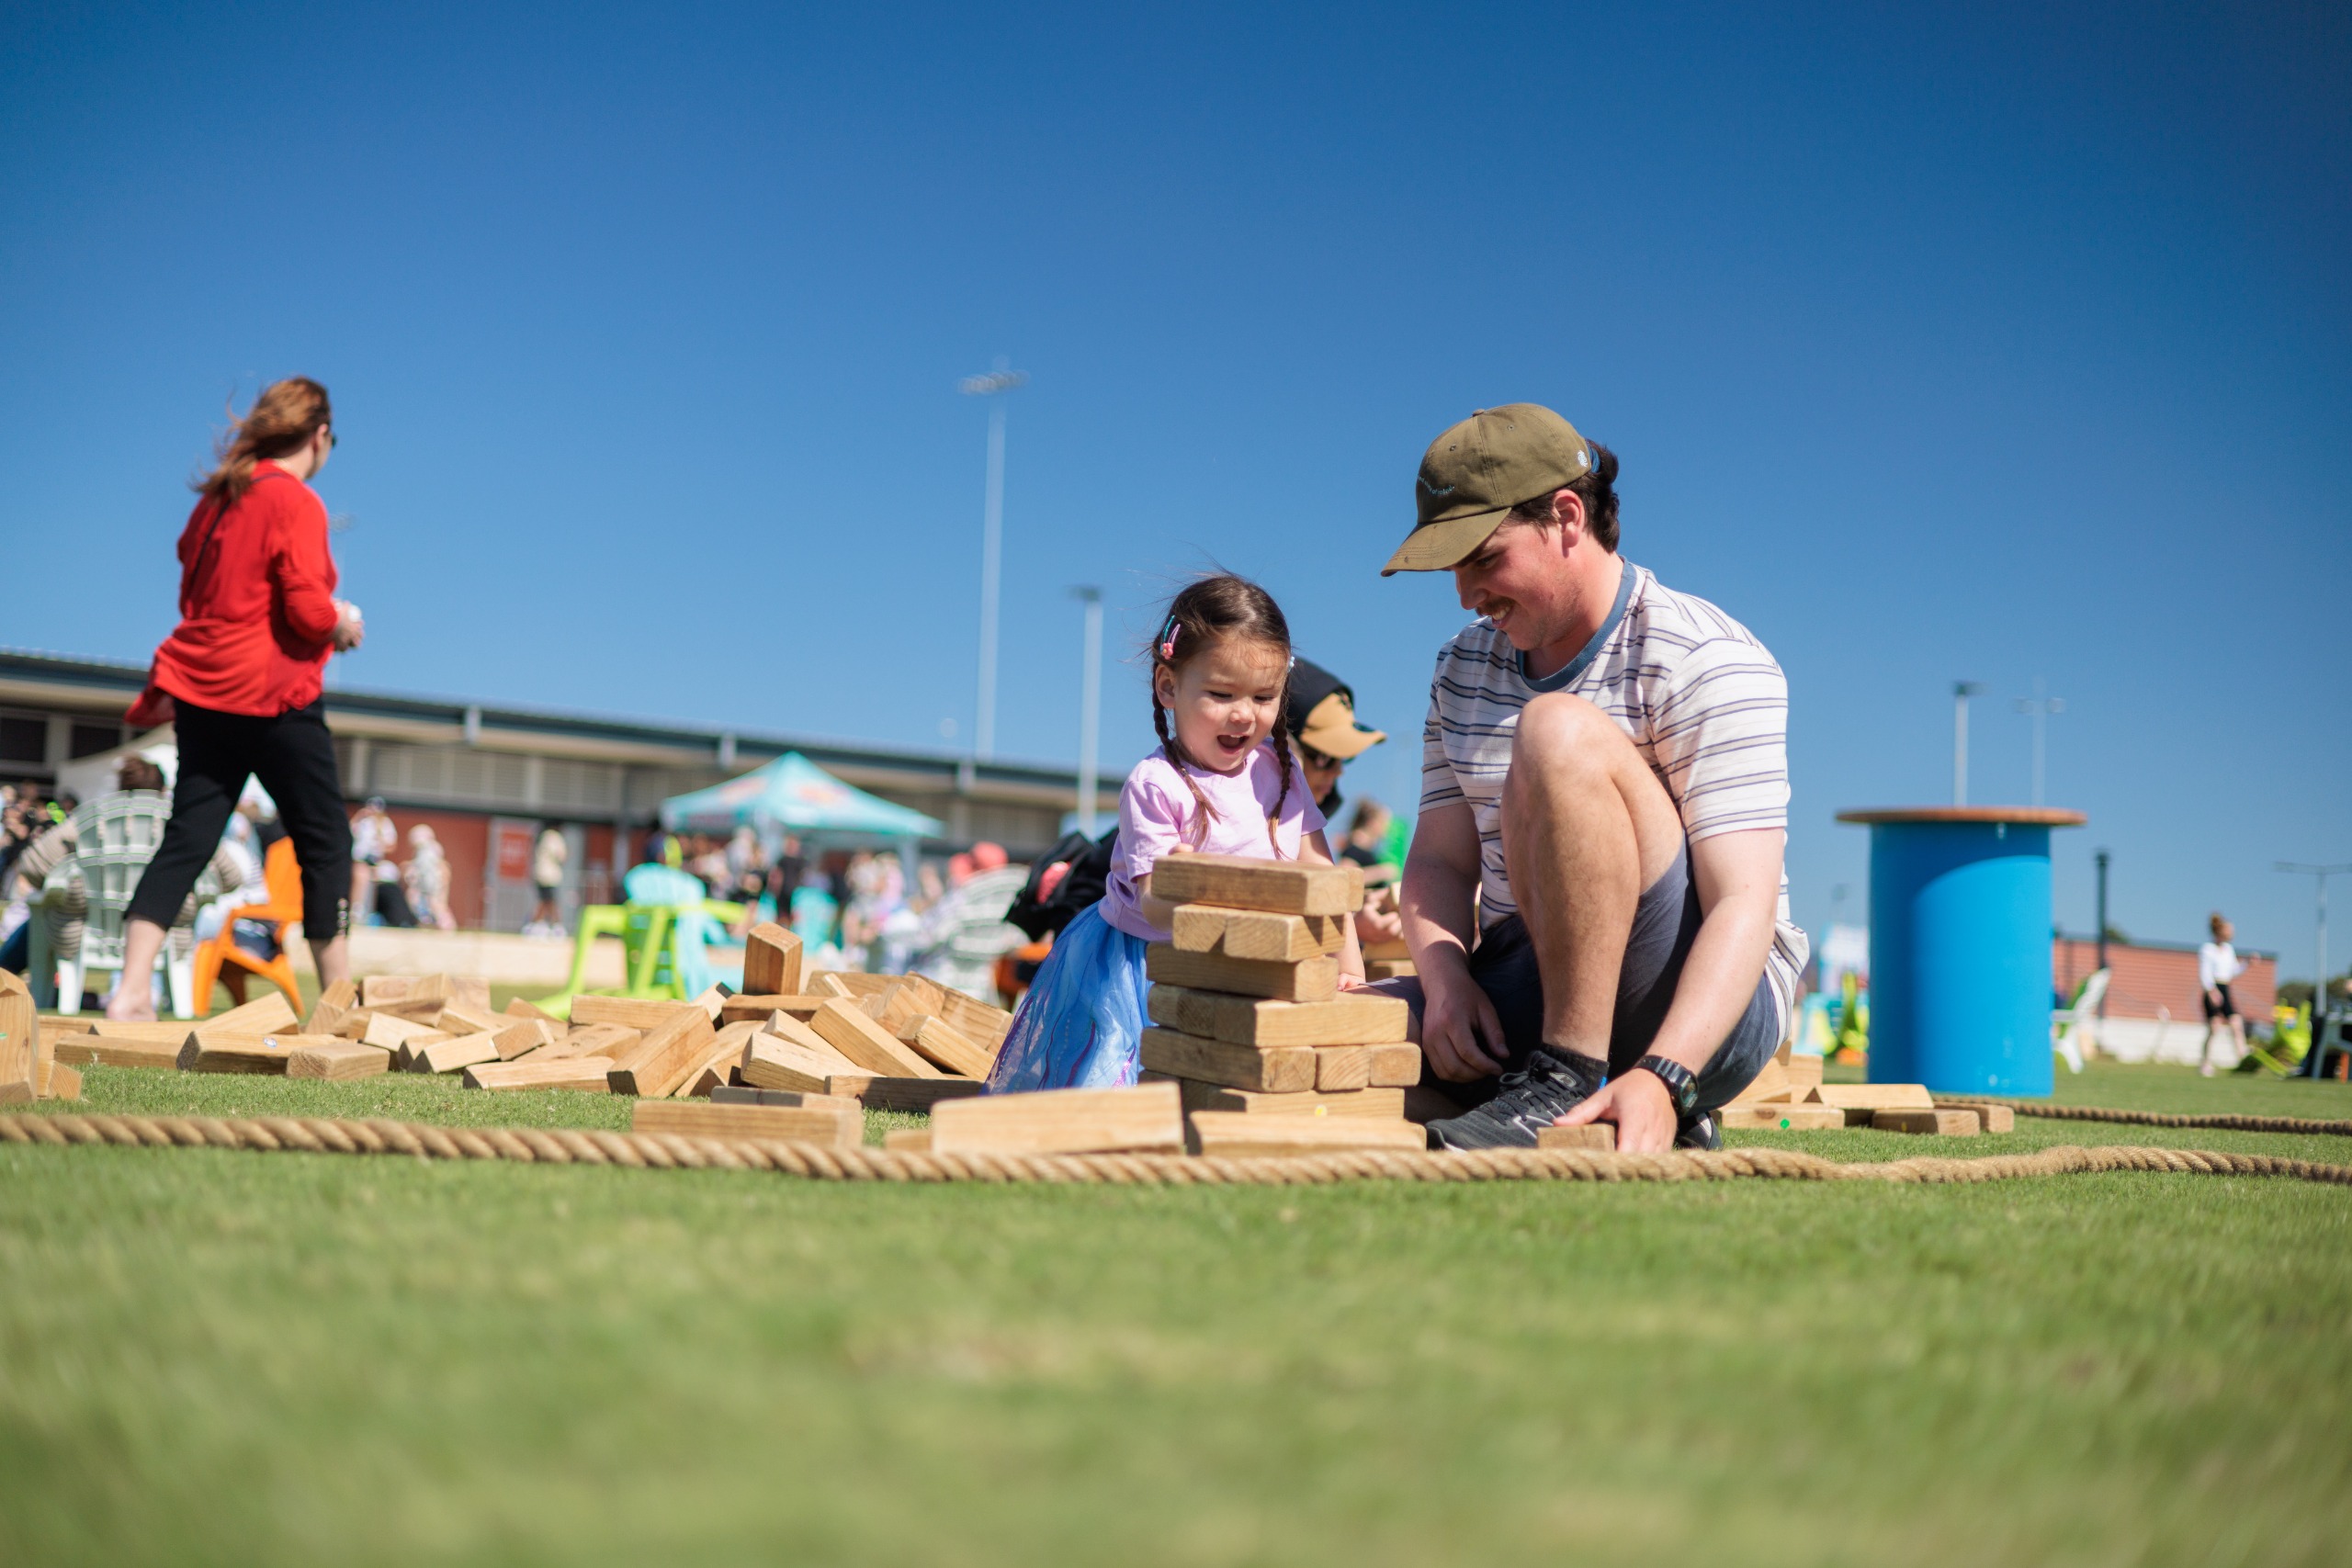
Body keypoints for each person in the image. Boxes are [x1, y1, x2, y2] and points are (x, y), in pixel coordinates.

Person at [1378, 404, 1806, 1152]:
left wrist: (1667, 1074)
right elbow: (1440, 860)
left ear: (1567, 518)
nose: (1464, 592)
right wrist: (1445, 981)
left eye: (1482, 556)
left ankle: (1574, 1081)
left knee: (1555, 728)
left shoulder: (1705, 656)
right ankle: (1551, 1083)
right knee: (1307, 1038)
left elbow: (1745, 901)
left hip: (1695, 1002)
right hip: (1527, 981)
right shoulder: (1460, 667)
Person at [987, 574, 1364, 1091]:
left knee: (1246, 1083)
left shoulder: (1282, 772)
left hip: (1254, 960)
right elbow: (1156, 904)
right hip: (1153, 965)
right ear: (1169, 686)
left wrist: (1351, 972)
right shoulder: (1155, 784)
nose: (1243, 714)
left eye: (1263, 696)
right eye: (1220, 693)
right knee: (1141, 1091)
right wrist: (1192, 882)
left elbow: (1324, 878)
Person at [104, 378, 363, 1021]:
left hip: (203, 687)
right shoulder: (296, 500)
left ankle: (132, 987)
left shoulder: (218, 500)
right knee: (325, 840)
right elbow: (305, 608)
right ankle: (338, 1003)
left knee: (187, 836)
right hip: (276, 694)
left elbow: (193, 583)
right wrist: (342, 619)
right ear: (320, 434)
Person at [2198, 912, 2248, 1077]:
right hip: (2213, 988)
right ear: (2220, 931)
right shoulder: (2208, 949)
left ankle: (2243, 1060)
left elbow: (2233, 971)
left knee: (2236, 1023)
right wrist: (2211, 990)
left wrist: (2247, 964)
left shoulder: (2228, 950)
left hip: (2226, 988)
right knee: (2214, 1027)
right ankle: (2205, 1063)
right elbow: (2205, 973)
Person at [350, 797, 396, 923]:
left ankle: (370, 913)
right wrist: (359, 817)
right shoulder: (362, 822)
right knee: (360, 879)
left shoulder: (385, 823)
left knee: (375, 884)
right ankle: (356, 910)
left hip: (375, 860)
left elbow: (391, 845)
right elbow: (349, 832)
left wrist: (380, 842)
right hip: (360, 858)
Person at [403, 824, 456, 931]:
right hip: (426, 888)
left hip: (431, 887)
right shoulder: (422, 852)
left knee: (436, 907)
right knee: (428, 909)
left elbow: (432, 871)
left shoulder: (428, 851)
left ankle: (446, 927)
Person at [528, 824, 569, 936]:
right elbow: (561, 856)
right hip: (550, 875)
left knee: (543, 901)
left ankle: (534, 924)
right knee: (552, 901)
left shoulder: (541, 837)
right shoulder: (555, 837)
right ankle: (557, 926)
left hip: (539, 873)